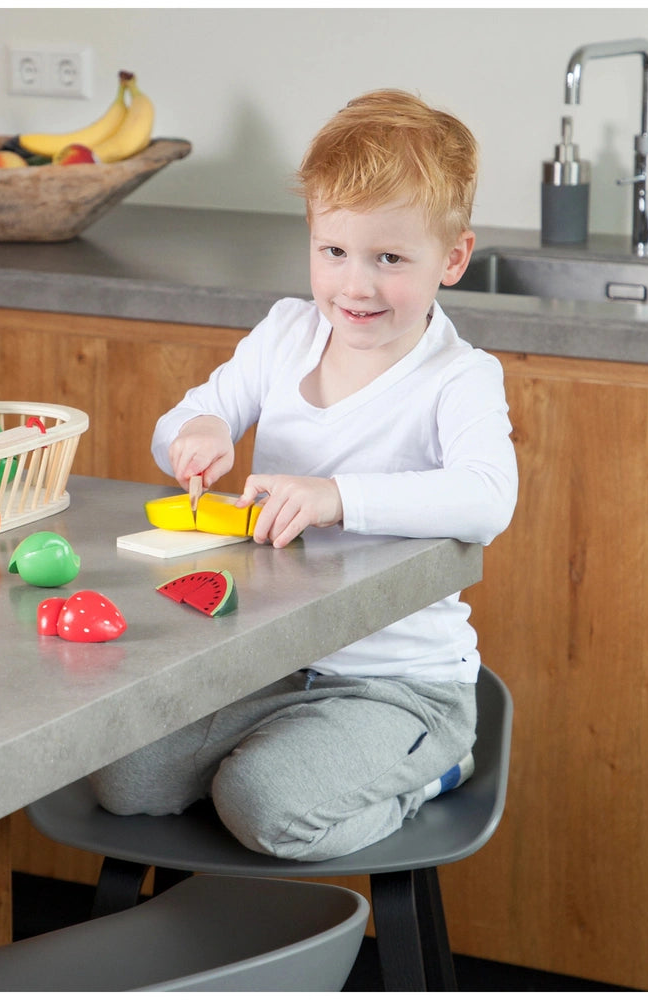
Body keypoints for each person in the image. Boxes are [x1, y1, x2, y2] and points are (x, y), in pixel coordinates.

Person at [90, 89, 518, 862]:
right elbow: (182, 423)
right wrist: (202, 434)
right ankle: (276, 754)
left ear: (451, 259)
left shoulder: (460, 378)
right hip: (271, 661)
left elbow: (488, 497)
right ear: (313, 241)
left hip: (401, 686)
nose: (355, 286)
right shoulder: (285, 333)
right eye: (335, 252)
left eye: (389, 259)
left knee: (262, 804)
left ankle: (430, 769)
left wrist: (335, 497)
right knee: (123, 778)